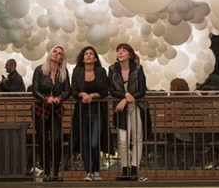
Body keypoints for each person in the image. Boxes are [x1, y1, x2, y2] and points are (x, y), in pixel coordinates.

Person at [109, 42, 147, 182]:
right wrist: (125, 97)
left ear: (129, 54)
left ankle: (134, 168)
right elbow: (112, 89)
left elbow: (142, 90)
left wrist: (130, 98)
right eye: (118, 50)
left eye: (123, 50)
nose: (120, 52)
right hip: (121, 107)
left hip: (136, 106)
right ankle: (124, 169)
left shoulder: (138, 68)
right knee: (123, 139)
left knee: (137, 138)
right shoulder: (113, 69)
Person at [32, 45, 70, 182]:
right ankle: (46, 172)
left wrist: (59, 99)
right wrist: (46, 98)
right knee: (43, 140)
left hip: (56, 109)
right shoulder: (39, 70)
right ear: (50, 53)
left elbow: (67, 91)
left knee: (56, 140)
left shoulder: (63, 72)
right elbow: (35, 90)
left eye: (59, 53)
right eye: (55, 51)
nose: (56, 54)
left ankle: (56, 172)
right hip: (40, 109)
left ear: (61, 59)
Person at [71, 46, 109, 182]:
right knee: (85, 142)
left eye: (91, 54)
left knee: (94, 142)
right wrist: (82, 94)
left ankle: (97, 170)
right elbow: (73, 91)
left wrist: (92, 95)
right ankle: (89, 171)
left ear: (95, 58)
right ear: (82, 58)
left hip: (97, 110)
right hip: (81, 111)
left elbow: (105, 90)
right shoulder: (76, 71)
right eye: (86, 54)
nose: (88, 55)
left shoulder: (101, 71)